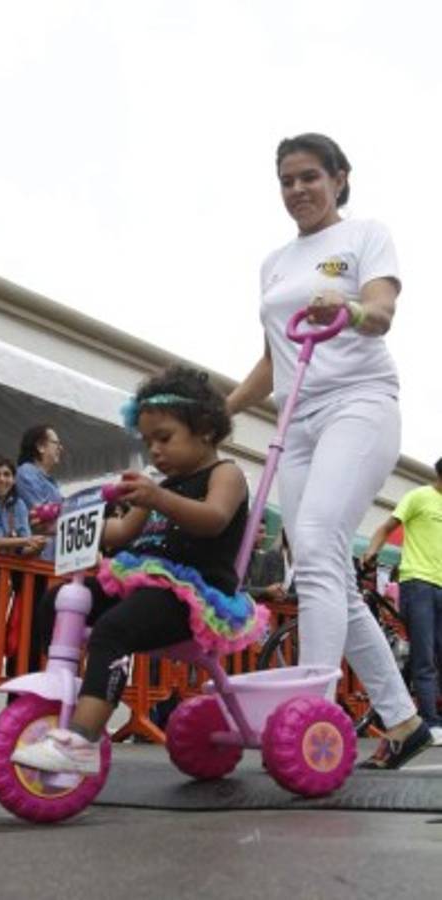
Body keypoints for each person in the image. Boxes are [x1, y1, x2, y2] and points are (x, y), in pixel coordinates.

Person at [226, 132, 429, 768]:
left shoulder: (366, 234)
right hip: (297, 418)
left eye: (309, 177)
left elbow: (382, 311)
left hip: (359, 403)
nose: (297, 191)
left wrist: (346, 304)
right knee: (324, 568)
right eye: (286, 181)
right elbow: (270, 359)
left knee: (315, 541)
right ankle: (402, 721)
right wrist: (215, 414)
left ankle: (307, 711)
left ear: (340, 178)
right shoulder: (274, 263)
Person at [11, 366, 267, 774]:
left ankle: (82, 742)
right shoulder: (158, 484)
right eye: (148, 442)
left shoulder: (226, 474)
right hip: (142, 584)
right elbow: (121, 532)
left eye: (164, 438)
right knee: (57, 601)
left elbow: (214, 518)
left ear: (204, 430)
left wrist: (158, 497)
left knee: (113, 629)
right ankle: (65, 695)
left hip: (193, 595)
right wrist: (66, 524)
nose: (155, 451)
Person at [364, 458, 442, 744]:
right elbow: (385, 528)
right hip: (418, 582)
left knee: (435, 655)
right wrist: (372, 552)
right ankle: (431, 725)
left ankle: (414, 717)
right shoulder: (418, 497)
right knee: (424, 657)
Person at [0, 455, 47, 671]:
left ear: (14, 479)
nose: (2, 479)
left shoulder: (20, 505)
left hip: (3, 584)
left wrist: (36, 547)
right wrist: (25, 541)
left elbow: (23, 549)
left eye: (7, 474)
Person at [15, 424, 63, 562]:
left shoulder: (52, 482)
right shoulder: (26, 472)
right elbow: (41, 514)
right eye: (56, 443)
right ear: (40, 447)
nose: (60, 448)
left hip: (51, 559)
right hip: (35, 558)